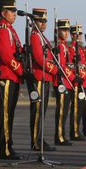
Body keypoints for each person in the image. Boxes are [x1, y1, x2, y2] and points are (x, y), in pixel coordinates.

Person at [0, 0, 24, 160]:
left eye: (14, 11)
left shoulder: (10, 29)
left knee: (9, 113)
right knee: (4, 114)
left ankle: (8, 146)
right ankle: (4, 149)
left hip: (13, 77)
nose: (14, 14)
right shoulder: (3, 29)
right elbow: (6, 56)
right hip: (6, 76)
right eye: (11, 12)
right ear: (3, 12)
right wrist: (21, 70)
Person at [29, 8, 57, 151]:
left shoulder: (42, 36)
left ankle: (39, 138)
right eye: (41, 21)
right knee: (38, 110)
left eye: (45, 21)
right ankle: (35, 141)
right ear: (34, 22)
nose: (44, 24)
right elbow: (39, 58)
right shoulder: (35, 36)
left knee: (42, 111)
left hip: (45, 76)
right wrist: (54, 69)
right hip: (40, 76)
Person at [53, 19, 75, 146]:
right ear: (58, 31)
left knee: (65, 110)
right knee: (61, 111)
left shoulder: (64, 46)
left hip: (66, 82)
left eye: (67, 30)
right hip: (61, 82)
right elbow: (61, 66)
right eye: (63, 30)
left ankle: (62, 135)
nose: (66, 33)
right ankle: (59, 136)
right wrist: (72, 76)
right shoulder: (59, 46)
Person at [68, 24, 86, 141]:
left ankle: (77, 130)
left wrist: (85, 76)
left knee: (80, 108)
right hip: (76, 82)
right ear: (72, 35)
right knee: (75, 108)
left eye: (80, 33)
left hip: (82, 81)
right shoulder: (71, 48)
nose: (80, 36)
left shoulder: (80, 49)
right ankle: (74, 131)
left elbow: (83, 67)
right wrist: (82, 76)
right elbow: (71, 66)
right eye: (77, 34)